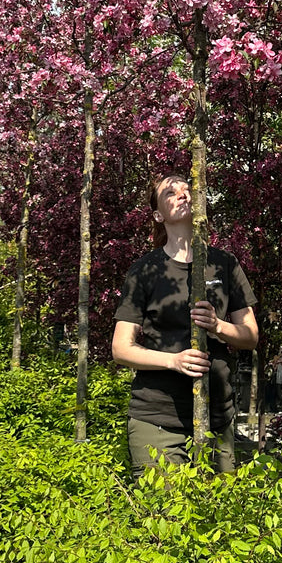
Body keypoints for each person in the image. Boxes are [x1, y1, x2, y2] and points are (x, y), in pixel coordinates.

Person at [112, 172, 258, 478]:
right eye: (170, 192)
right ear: (158, 215)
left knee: (221, 507)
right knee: (165, 507)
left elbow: (250, 335)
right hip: (158, 419)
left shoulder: (224, 264)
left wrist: (218, 326)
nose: (182, 194)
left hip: (218, 417)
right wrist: (174, 361)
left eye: (187, 189)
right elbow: (121, 349)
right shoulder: (144, 270)